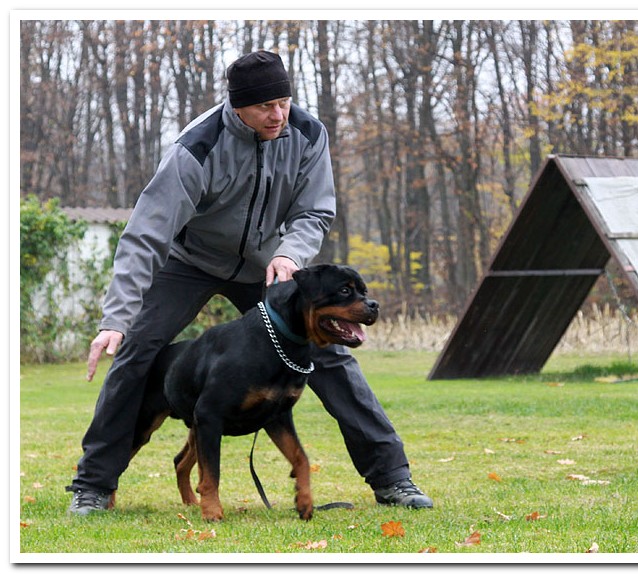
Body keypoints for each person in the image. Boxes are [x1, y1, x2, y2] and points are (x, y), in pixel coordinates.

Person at [67, 50, 432, 515]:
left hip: (269, 264)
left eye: (283, 101)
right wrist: (116, 318)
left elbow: (315, 210)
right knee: (137, 350)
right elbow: (146, 234)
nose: (277, 114)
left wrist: (289, 254)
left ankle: (393, 479)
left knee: (331, 356)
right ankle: (93, 484)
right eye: (265, 107)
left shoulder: (307, 133)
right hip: (189, 261)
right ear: (236, 105)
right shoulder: (197, 147)